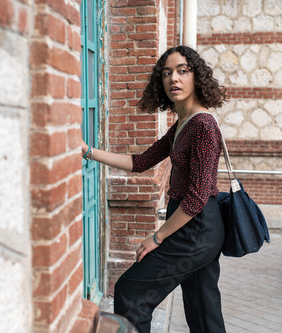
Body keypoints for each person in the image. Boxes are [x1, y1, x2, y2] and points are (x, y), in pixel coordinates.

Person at [80, 45, 228, 332]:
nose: (174, 78)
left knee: (130, 292)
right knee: (202, 310)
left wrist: (157, 238)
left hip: (197, 228)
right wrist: (88, 152)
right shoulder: (182, 124)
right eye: (167, 73)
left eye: (183, 71)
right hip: (195, 228)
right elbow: (141, 161)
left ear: (196, 77)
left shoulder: (204, 126)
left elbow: (196, 198)